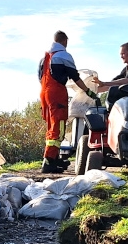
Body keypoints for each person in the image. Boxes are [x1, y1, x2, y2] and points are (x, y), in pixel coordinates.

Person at [38, 31, 98, 173]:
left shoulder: (45, 58)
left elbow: (40, 76)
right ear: (64, 41)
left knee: (51, 127)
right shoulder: (64, 55)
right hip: (57, 93)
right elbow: (75, 77)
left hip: (44, 93)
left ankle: (54, 158)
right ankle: (48, 162)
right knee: (58, 129)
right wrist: (88, 91)